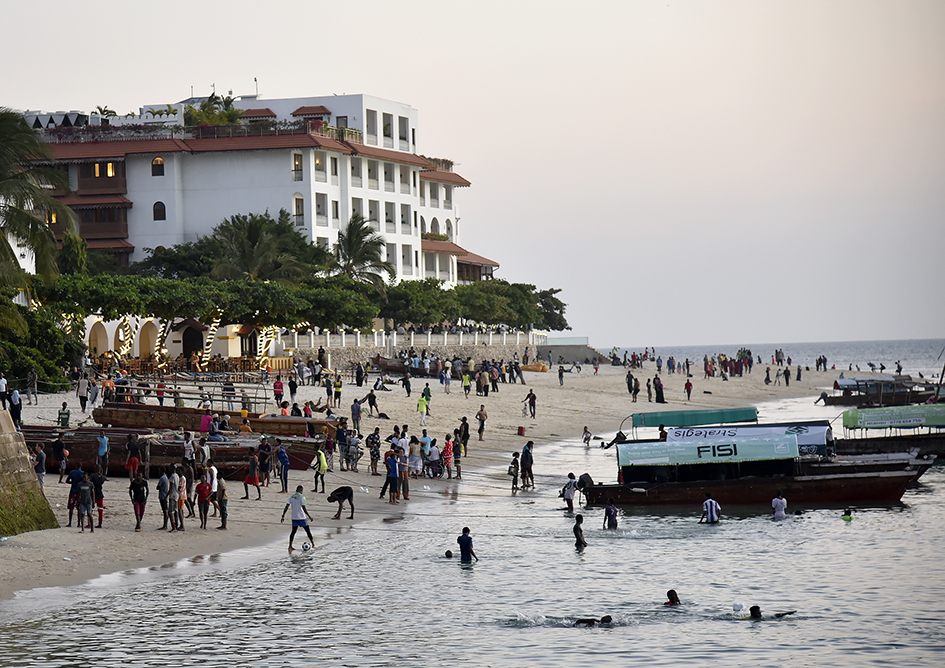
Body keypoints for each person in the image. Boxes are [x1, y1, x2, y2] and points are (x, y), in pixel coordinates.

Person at [281, 485, 315, 552]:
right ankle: (313, 544)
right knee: (308, 531)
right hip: (302, 517)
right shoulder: (302, 497)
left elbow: (287, 506)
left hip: (294, 517)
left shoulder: (291, 497)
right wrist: (309, 516)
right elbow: (304, 508)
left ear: (296, 490)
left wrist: (283, 516)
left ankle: (290, 546)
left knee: (293, 532)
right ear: (301, 491)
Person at [90, 465, 106, 529]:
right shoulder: (102, 477)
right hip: (100, 494)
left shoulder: (92, 475)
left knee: (90, 510)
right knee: (100, 510)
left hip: (93, 494)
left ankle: (90, 523)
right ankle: (100, 524)